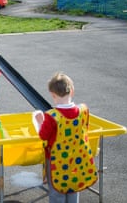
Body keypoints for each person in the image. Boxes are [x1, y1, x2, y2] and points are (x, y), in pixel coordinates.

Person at [33, 72, 98, 203]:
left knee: (57, 193)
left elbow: (43, 136)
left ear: (53, 94)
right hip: (76, 160)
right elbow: (84, 129)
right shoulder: (83, 110)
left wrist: (40, 122)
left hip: (57, 162)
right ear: (72, 91)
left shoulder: (52, 116)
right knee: (73, 188)